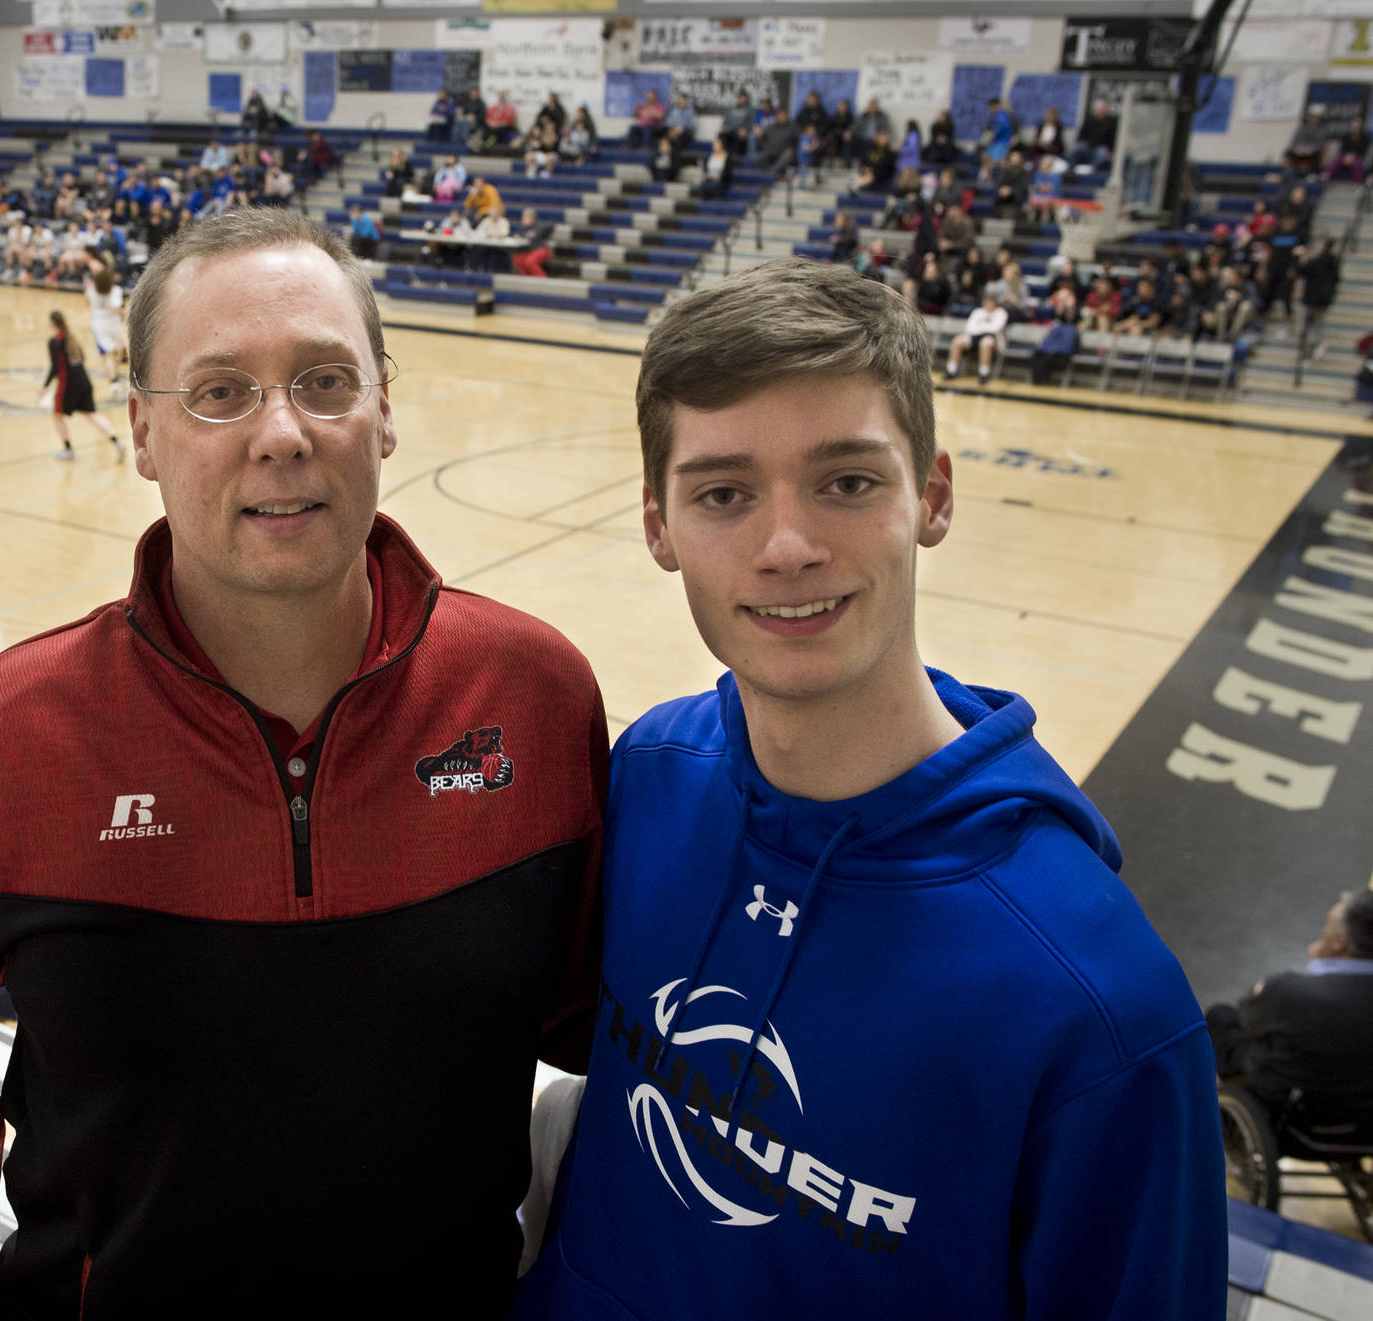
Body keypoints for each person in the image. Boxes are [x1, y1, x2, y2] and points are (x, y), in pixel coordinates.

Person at [0, 206, 607, 1319]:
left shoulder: (533, 700)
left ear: (383, 409)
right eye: (219, 391)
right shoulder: (6, 738)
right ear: (142, 431)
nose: (282, 432)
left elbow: (598, 1028)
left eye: (326, 379)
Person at [514, 257, 1223, 1321]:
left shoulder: (1098, 1009)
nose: (787, 546)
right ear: (657, 526)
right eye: (721, 494)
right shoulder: (647, 777)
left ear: (930, 495)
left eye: (845, 481)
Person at [1207, 889, 1373, 1125]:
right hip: (1365, 1123)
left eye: (1326, 928)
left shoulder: (1290, 993)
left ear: (1340, 943)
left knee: (1221, 1017)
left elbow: (1249, 1022)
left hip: (1297, 1123)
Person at [38, 308, 123, 462]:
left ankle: (68, 449)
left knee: (56, 415)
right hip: (84, 381)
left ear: (52, 323)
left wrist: (45, 387)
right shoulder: (72, 339)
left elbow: (55, 367)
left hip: (68, 385)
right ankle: (117, 441)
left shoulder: (55, 342)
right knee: (92, 415)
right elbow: (82, 359)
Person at [84, 255, 128, 393]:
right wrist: (126, 311)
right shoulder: (115, 291)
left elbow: (87, 302)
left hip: (98, 324)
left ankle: (113, 383)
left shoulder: (90, 290)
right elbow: (115, 309)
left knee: (109, 355)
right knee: (122, 348)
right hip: (113, 323)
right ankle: (123, 362)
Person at [946, 292, 1009, 384]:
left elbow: (995, 328)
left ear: (995, 303)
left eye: (991, 302)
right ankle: (951, 371)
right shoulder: (978, 312)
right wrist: (985, 327)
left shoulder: (1001, 312)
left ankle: (983, 374)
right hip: (973, 337)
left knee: (985, 343)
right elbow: (970, 328)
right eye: (986, 302)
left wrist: (980, 327)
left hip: (992, 339)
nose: (988, 304)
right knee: (957, 341)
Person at [1297, 234, 1341, 354]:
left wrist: (1303, 258)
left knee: (1305, 322)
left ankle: (1306, 347)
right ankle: (1312, 345)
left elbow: (1301, 271)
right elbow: (1336, 279)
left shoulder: (1316, 261)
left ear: (1323, 245)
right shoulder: (1334, 261)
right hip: (1325, 298)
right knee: (1317, 323)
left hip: (1311, 297)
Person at [1069, 99, 1118, 173]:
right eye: (1100, 109)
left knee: (1102, 153)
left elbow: (1113, 139)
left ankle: (1089, 168)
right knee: (1078, 148)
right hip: (1088, 144)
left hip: (1101, 146)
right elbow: (1081, 134)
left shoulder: (1111, 122)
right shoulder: (1089, 120)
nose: (1101, 111)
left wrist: (1111, 151)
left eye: (1103, 109)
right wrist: (1079, 143)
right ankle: (1070, 168)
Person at [511, 206, 552, 278]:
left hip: (541, 249)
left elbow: (534, 235)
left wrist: (523, 235)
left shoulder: (539, 225)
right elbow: (517, 234)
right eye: (523, 217)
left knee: (530, 261)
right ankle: (526, 279)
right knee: (517, 259)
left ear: (531, 218)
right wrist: (517, 236)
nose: (523, 220)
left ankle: (543, 280)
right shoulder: (524, 228)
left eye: (525, 218)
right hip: (530, 251)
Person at [1330, 114, 1370, 184]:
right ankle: (1326, 176)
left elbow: (1363, 151)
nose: (1355, 126)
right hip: (1345, 156)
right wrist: (1347, 156)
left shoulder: (1365, 138)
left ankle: (1357, 183)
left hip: (1358, 156)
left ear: (1361, 126)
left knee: (1358, 164)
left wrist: (1353, 157)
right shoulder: (1346, 136)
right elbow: (1343, 149)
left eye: (1357, 125)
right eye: (1354, 124)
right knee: (1338, 159)